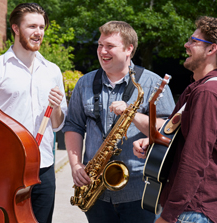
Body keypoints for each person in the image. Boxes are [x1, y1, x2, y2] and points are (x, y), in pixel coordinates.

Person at [62, 21, 175, 223]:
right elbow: (73, 126)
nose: (102, 51)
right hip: (96, 191)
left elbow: (168, 130)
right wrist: (76, 165)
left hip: (139, 191)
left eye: (110, 46)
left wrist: (131, 114)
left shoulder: (153, 83)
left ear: (129, 49)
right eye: (99, 45)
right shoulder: (85, 83)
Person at [0, 2, 67, 223]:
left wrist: (56, 106)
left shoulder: (52, 71)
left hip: (43, 167)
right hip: (7, 167)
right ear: (16, 29)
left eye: (42, 27)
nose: (38, 33)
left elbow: (57, 125)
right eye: (32, 27)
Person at [133, 16, 217, 223]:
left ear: (212, 49)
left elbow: (195, 158)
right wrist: (155, 142)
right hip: (185, 208)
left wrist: (169, 216)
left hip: (192, 210)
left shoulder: (208, 92)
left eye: (193, 41)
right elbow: (178, 136)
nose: (186, 45)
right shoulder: (195, 88)